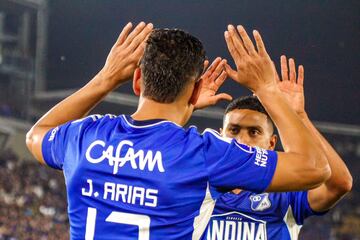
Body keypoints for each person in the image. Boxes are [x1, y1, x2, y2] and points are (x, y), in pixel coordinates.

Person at [26, 22, 330, 239]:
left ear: (136, 81)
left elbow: (37, 135)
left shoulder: (85, 136)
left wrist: (105, 78)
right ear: (196, 88)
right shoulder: (204, 153)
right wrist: (267, 89)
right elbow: (315, 168)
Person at [204, 56, 353, 239]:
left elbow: (339, 184)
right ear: (220, 136)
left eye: (254, 132)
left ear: (272, 143)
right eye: (233, 130)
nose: (241, 140)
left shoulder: (287, 190)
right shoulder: (200, 186)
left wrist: (299, 116)